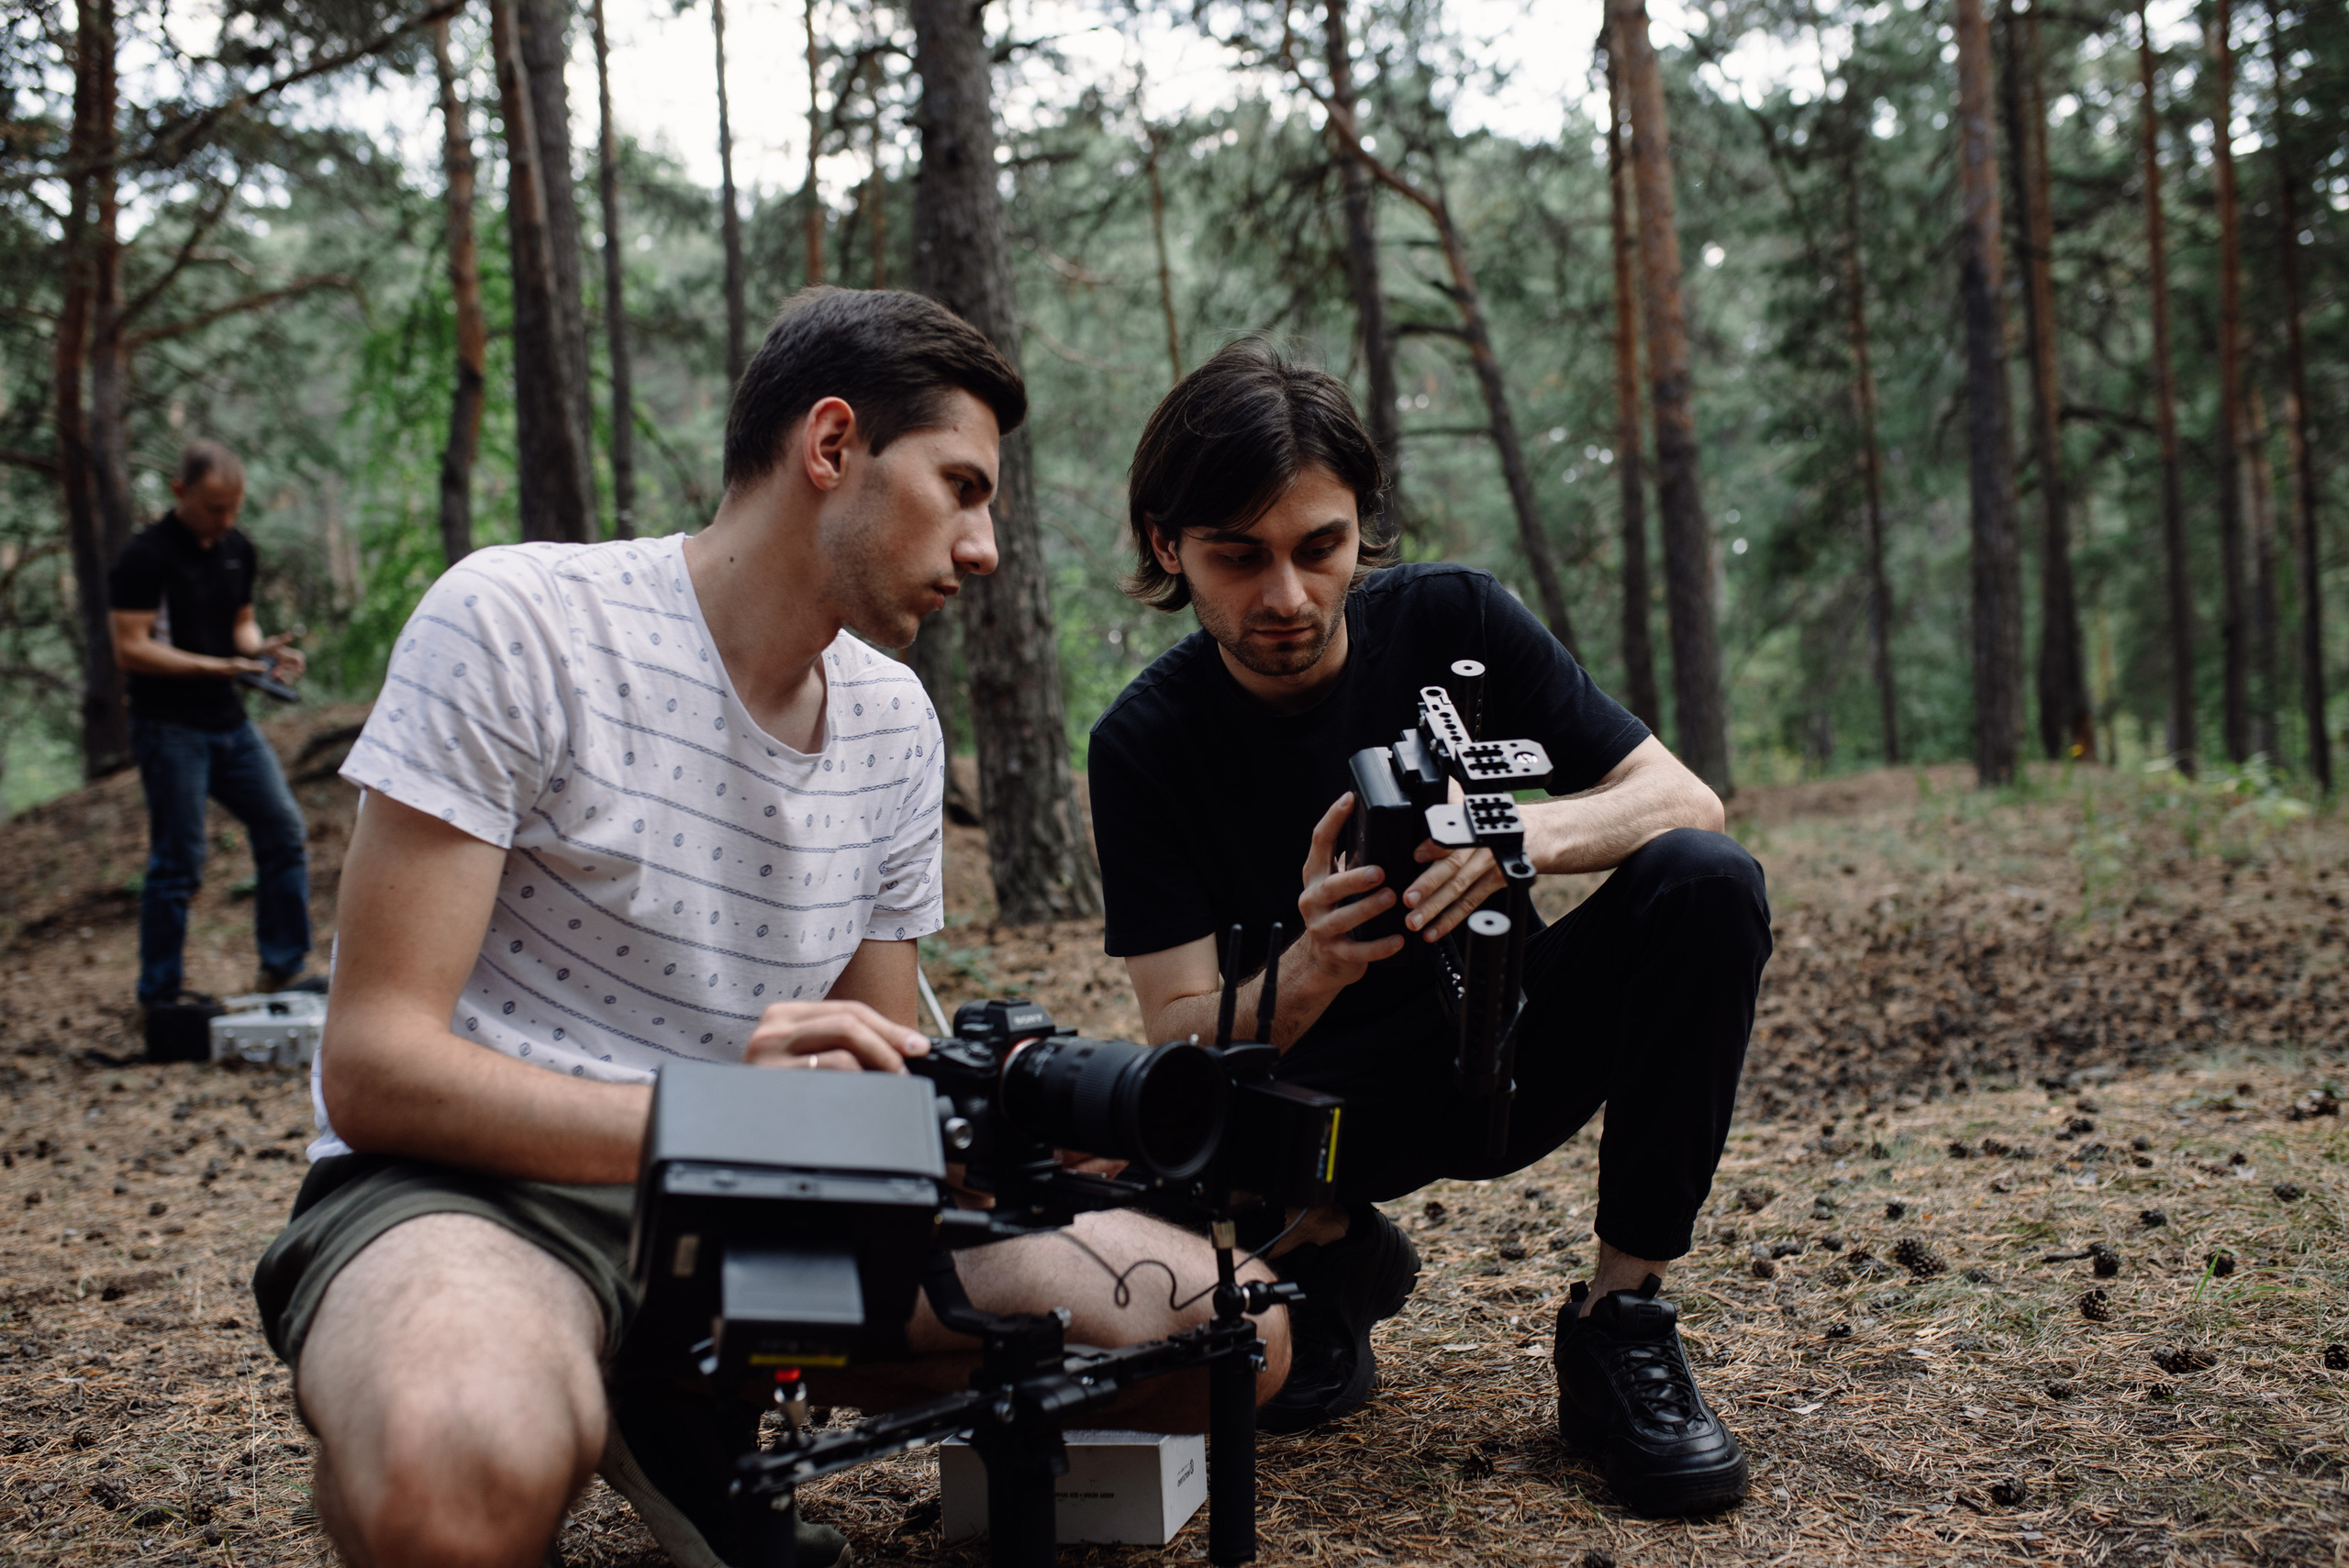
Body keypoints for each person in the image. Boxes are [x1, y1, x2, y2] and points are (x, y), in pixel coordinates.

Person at [250, 290, 1288, 1568]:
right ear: (833, 443)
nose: (984, 549)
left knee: (1236, 1329)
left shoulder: (895, 723)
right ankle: (537, 1379)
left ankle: (676, 1393)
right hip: (480, 1197)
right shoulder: (521, 623)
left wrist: (1000, 1137)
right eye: (961, 488)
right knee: (455, 1476)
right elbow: (374, 1067)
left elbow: (877, 1081)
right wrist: (722, 1119)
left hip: (770, 1211)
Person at [1086, 340, 1770, 1518]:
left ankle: (1620, 1320)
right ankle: (1326, 1249)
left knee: (1707, 880)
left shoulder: (1455, 619)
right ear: (1166, 545)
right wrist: (1312, 962)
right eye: (1238, 556)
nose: (1286, 596)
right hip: (1322, 1104)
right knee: (1133, 1155)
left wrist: (1516, 834)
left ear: (1362, 525)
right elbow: (1179, 1031)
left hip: (1509, 1035)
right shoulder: (1144, 742)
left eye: (1320, 547)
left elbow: (1682, 798)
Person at [108, 440, 322, 1006]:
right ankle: (160, 995)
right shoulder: (145, 557)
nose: (225, 519)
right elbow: (130, 647)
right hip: (168, 727)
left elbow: (241, 626)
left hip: (229, 722)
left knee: (283, 830)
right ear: (180, 492)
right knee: (179, 860)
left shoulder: (237, 549)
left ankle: (282, 967)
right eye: (213, 508)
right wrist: (216, 666)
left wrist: (262, 651)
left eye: (233, 508)